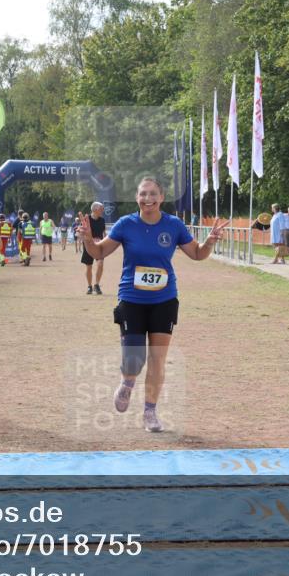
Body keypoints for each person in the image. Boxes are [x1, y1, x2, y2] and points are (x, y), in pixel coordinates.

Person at [79, 177, 229, 432]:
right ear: (137, 197)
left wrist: (210, 242)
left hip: (164, 300)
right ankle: (127, 383)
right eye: (142, 194)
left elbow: (196, 254)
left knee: (158, 359)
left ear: (161, 197)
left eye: (152, 194)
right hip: (131, 300)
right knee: (134, 360)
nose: (147, 199)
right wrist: (87, 239)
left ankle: (150, 412)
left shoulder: (173, 225)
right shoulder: (127, 224)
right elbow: (100, 253)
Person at [81, 201, 107, 295]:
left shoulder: (102, 220)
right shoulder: (86, 219)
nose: (103, 210)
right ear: (95, 209)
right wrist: (91, 240)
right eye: (101, 209)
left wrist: (104, 242)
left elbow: (104, 233)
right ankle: (89, 286)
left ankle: (96, 285)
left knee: (100, 264)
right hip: (88, 245)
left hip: (99, 246)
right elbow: (82, 233)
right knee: (89, 267)